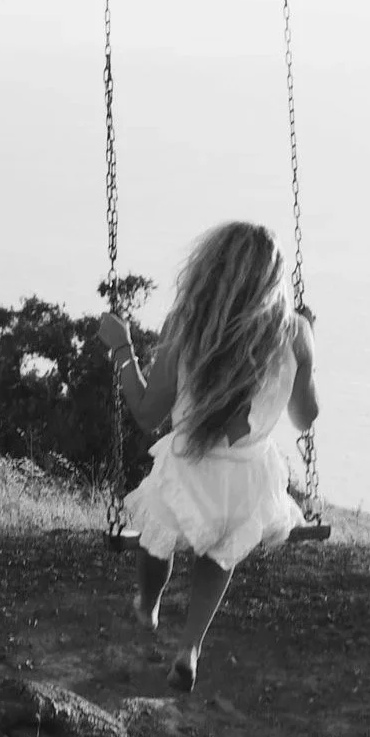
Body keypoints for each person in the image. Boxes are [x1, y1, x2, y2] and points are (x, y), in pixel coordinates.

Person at [90, 221, 320, 692]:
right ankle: (190, 648)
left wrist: (121, 350)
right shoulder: (295, 333)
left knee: (157, 535)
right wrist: (307, 357)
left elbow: (147, 413)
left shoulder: (187, 328)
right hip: (250, 480)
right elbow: (304, 417)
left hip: (188, 470)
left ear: (210, 269)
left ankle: (148, 604)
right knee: (220, 554)